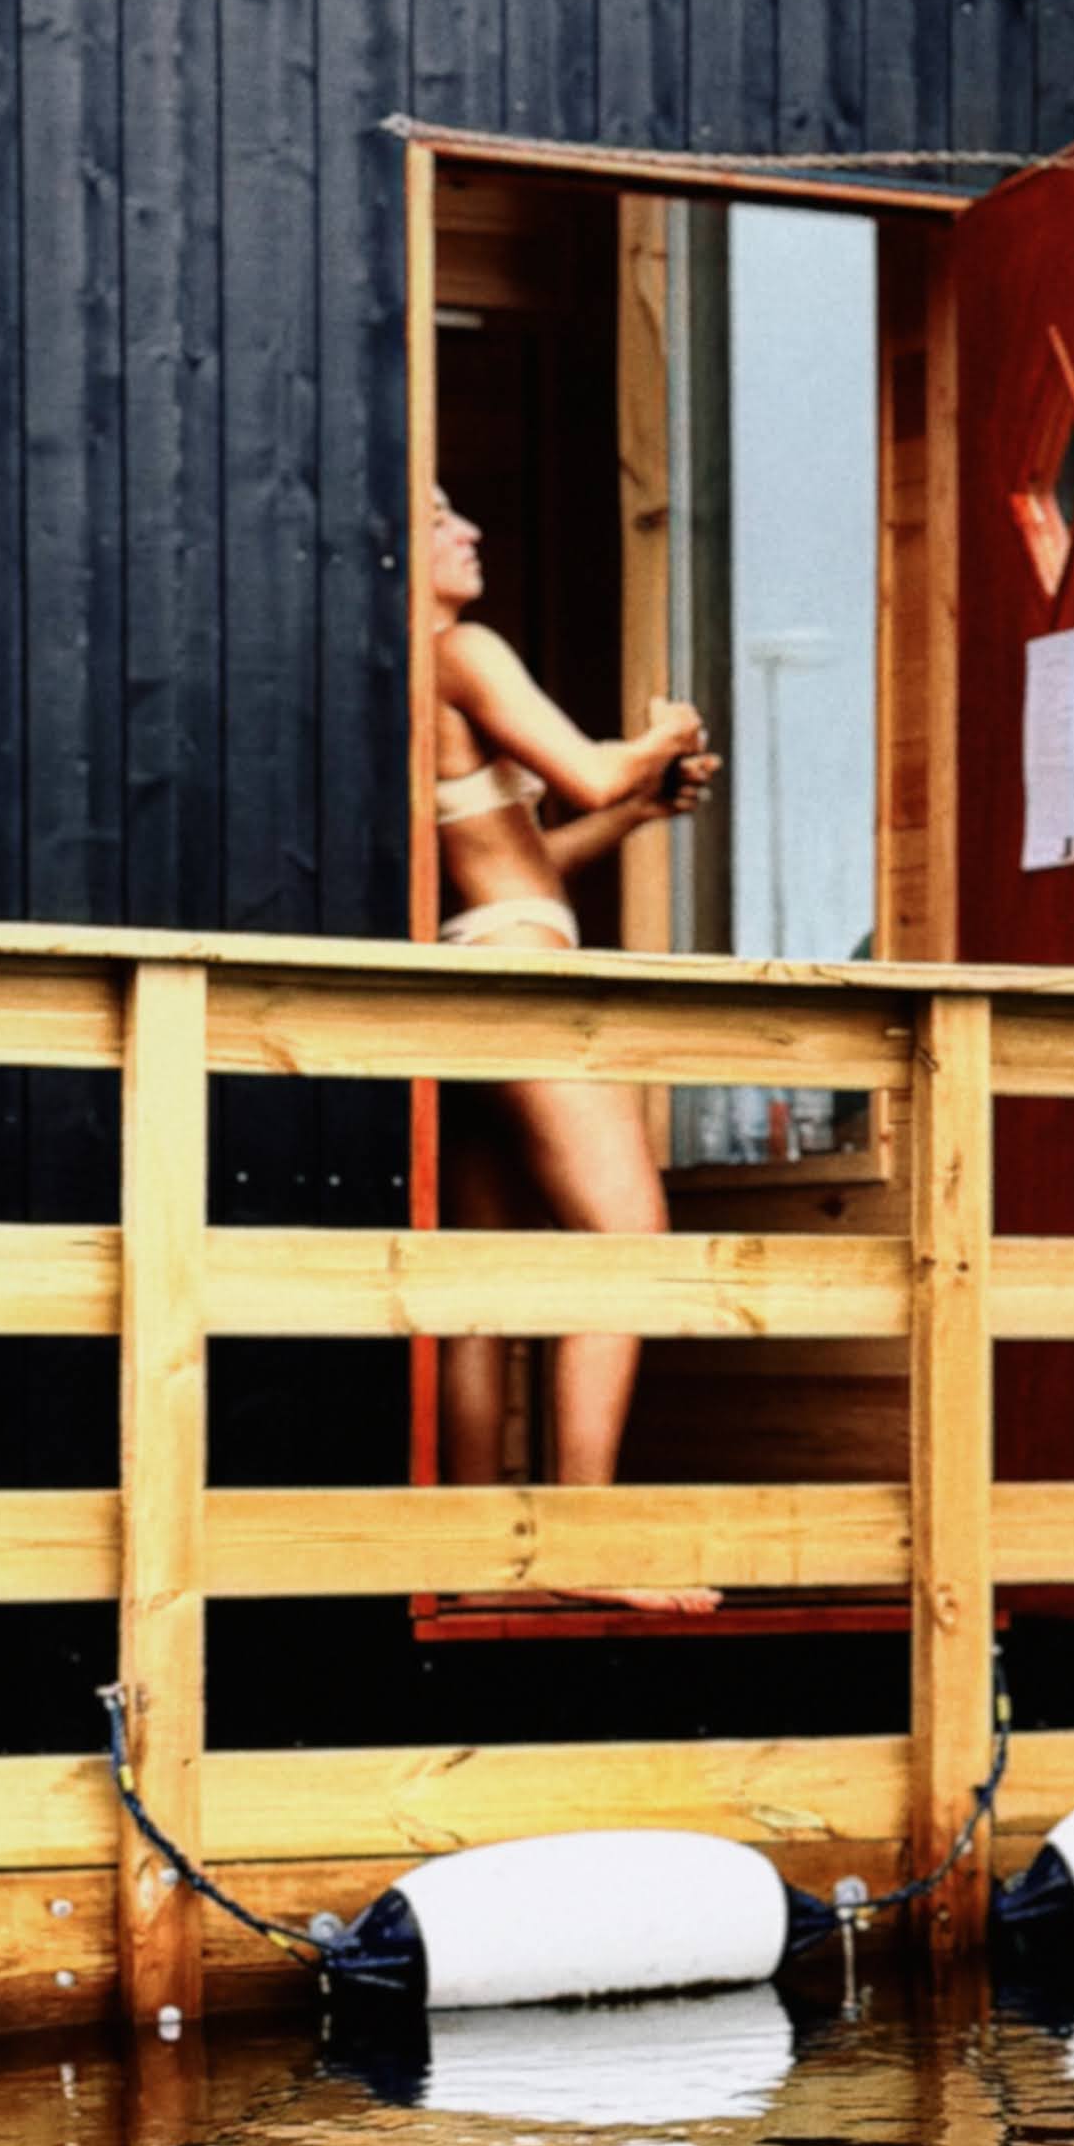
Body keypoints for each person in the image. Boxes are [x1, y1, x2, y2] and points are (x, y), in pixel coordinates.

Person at [425, 486, 717, 1558]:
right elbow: (586, 771)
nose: (471, 529)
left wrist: (637, 809)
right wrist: (659, 737)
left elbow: (520, 857)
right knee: (627, 1242)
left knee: (482, 1276)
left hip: (464, 966)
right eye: (439, 517)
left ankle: (469, 1552)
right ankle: (581, 1553)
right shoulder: (459, 648)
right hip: (517, 969)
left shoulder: (403, 679)